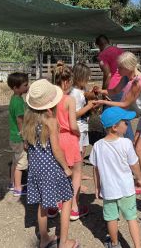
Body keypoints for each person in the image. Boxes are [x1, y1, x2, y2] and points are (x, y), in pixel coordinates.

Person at [95, 52, 141, 195]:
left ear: (128, 67)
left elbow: (125, 104)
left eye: (120, 67)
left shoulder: (137, 82)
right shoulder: (126, 76)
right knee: (136, 145)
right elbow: (115, 91)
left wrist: (103, 101)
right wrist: (101, 91)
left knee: (140, 148)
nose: (117, 70)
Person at [23, 78, 79, 248]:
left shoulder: (28, 121)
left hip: (35, 168)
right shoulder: (51, 122)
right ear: (50, 105)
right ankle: (64, 242)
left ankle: (45, 238)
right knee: (68, 198)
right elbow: (56, 150)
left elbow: (26, 146)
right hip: (52, 168)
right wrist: (66, 168)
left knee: (42, 203)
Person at [90, 106, 141, 248]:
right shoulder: (126, 143)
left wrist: (97, 187)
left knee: (111, 218)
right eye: (125, 122)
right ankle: (138, 246)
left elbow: (96, 169)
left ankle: (114, 243)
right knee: (131, 218)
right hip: (126, 189)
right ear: (115, 127)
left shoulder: (97, 146)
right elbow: (134, 164)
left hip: (108, 190)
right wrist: (139, 178)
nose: (127, 124)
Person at [54, 62, 89, 221]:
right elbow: (74, 124)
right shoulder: (69, 100)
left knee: (58, 171)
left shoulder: (51, 99)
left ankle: (55, 206)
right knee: (76, 172)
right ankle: (74, 207)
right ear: (68, 81)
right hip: (69, 138)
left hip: (55, 138)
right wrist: (76, 134)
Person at [95, 35, 134, 141]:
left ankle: (107, 143)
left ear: (99, 45)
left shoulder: (103, 55)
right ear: (108, 41)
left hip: (114, 87)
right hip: (125, 85)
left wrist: (104, 92)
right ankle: (130, 141)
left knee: (106, 116)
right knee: (124, 115)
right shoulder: (120, 51)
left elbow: (107, 74)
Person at [70, 63, 96, 182]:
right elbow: (73, 115)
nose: (88, 79)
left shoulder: (81, 89)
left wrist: (92, 93)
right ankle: (74, 176)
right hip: (78, 125)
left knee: (83, 150)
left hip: (84, 124)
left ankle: (79, 174)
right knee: (77, 152)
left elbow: (85, 96)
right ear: (79, 77)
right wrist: (89, 106)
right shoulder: (73, 93)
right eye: (87, 76)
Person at [7, 72, 29, 197]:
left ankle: (12, 184)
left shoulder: (15, 98)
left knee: (15, 160)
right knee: (21, 163)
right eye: (25, 85)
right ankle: (18, 188)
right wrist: (25, 139)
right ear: (16, 87)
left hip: (13, 136)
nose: (27, 87)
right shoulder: (18, 103)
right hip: (19, 137)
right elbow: (20, 122)